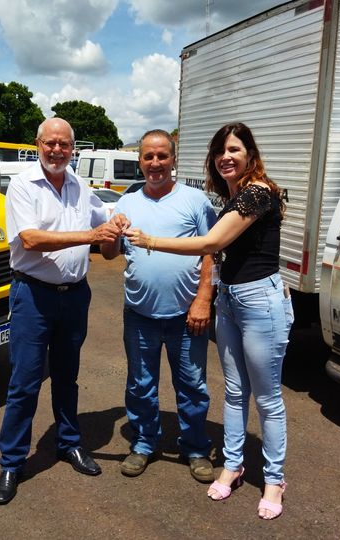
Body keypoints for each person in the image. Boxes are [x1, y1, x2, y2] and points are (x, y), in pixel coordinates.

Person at [124, 123, 294, 520]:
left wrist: (151, 242)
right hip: (231, 301)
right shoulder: (232, 196)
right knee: (234, 392)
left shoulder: (257, 192)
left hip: (259, 302)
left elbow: (211, 244)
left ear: (250, 154)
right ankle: (233, 466)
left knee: (267, 399)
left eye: (234, 150)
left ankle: (274, 480)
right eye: (220, 151)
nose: (226, 157)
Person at [0, 117, 122, 505]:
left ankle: (68, 443)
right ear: (38, 144)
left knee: (68, 377)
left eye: (64, 145)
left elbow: (106, 232)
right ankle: (12, 462)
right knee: (25, 382)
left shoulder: (80, 186)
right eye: (50, 143)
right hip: (33, 296)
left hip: (75, 296)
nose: (56, 150)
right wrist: (93, 235)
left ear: (73, 149)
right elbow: (30, 239)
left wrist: (115, 227)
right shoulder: (23, 185)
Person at [101, 129, 217, 483]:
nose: (155, 163)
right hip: (140, 314)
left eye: (162, 156)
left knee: (192, 385)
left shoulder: (195, 200)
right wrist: (110, 231)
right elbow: (109, 254)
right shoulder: (127, 203)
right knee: (140, 385)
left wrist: (203, 299)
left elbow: (211, 251)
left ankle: (195, 447)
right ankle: (143, 443)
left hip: (187, 315)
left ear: (173, 159)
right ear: (140, 161)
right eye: (148, 156)